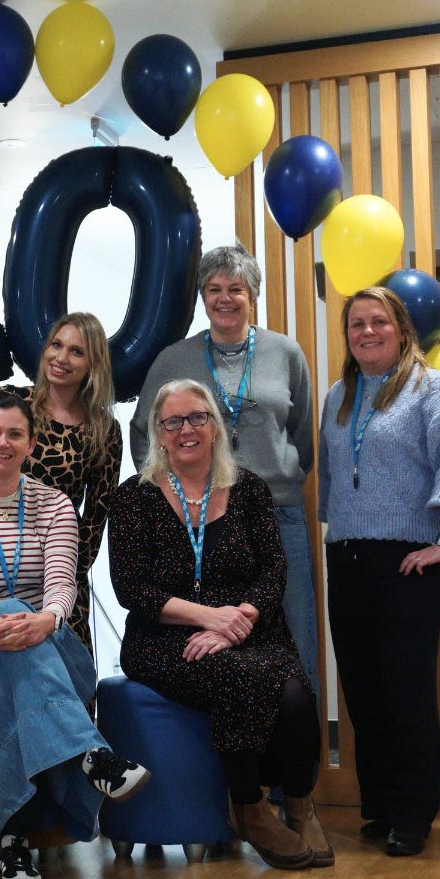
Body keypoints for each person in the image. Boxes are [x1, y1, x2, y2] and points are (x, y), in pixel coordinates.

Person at [0, 387, 149, 879]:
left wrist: (45, 621)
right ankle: (90, 756)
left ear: (30, 444)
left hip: (45, 644)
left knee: (15, 644)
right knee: (5, 610)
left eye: (15, 434)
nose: (2, 442)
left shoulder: (54, 506)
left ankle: (13, 840)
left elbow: (61, 586)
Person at [109, 379, 330, 871]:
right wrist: (210, 618)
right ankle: (248, 806)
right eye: (173, 422)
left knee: (294, 690)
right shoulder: (133, 498)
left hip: (250, 627)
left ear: (214, 427)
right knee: (237, 675)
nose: (186, 429)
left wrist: (240, 619)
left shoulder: (249, 488)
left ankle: (298, 803)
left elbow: (273, 569)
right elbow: (131, 589)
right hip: (164, 636)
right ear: (159, 434)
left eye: (196, 418)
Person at [319, 287, 440, 857]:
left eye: (378, 322)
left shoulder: (431, 388)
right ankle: (383, 806)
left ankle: (414, 815)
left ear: (401, 329)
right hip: (347, 556)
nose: (367, 332)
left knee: (404, 688)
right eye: (356, 325)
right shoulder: (336, 397)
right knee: (362, 690)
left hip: (409, 562)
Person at [129, 243, 318, 692]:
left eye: (236, 288)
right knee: (215, 639)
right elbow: (143, 431)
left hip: (278, 512)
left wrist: (280, 478)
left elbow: (303, 435)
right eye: (213, 289)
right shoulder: (174, 359)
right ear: (203, 297)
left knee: (296, 634)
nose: (224, 298)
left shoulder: (285, 353)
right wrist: (171, 498)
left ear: (252, 295)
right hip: (202, 518)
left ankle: (301, 758)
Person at [0, 312, 122, 651]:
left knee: (68, 680)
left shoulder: (104, 429)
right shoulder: (10, 400)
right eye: (56, 345)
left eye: (77, 352)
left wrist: (63, 578)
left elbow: (96, 518)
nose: (61, 358)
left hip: (58, 571)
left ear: (93, 363)